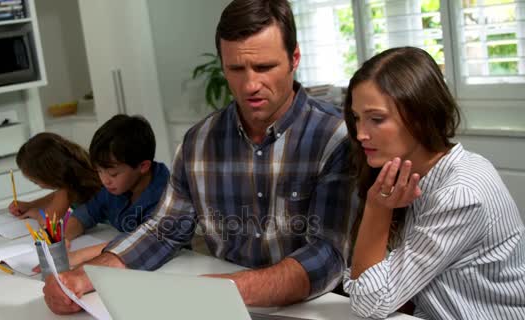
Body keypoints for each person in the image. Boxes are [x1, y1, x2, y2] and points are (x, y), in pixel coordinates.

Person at [43, 0, 355, 315]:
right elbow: (163, 229)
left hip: (312, 308)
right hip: (222, 307)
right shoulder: (199, 141)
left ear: (294, 58)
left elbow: (327, 255)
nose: (250, 85)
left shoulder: (335, 137)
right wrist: (85, 277)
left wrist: (227, 289)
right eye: (236, 69)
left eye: (264, 67)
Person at [342, 47, 525, 319]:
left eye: (376, 119)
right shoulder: (413, 175)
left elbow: (369, 302)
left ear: (420, 116)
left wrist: (376, 209)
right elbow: (375, 285)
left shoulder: (460, 195)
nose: (360, 134)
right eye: (357, 118)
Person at [60, 114, 171, 264]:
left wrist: (79, 256)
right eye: (99, 171)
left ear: (143, 166)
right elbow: (86, 214)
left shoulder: (166, 195)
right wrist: (63, 240)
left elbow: (141, 241)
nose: (105, 180)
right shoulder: (117, 187)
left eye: (113, 174)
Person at [8, 132, 101, 225]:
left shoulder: (67, 187)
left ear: (49, 174)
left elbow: (48, 223)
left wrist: (36, 213)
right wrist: (30, 205)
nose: (35, 183)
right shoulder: (76, 171)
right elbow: (55, 197)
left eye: (35, 182)